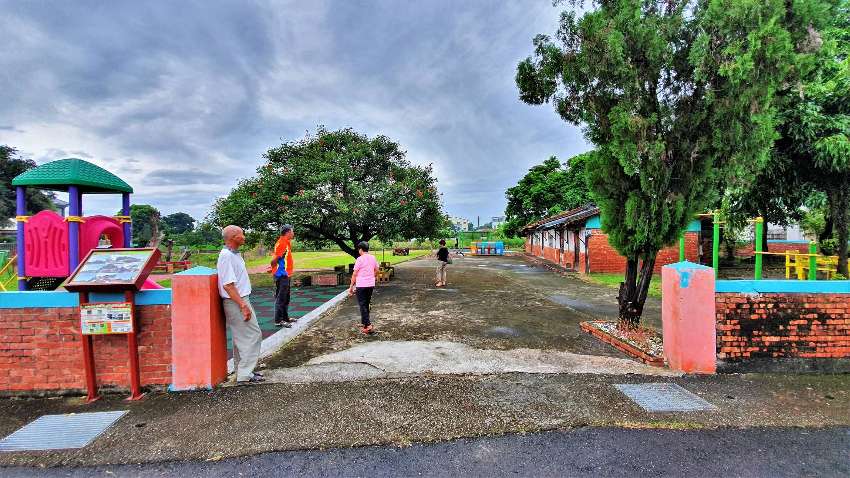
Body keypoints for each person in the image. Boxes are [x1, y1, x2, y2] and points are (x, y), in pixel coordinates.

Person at [217, 225, 264, 384]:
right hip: (236, 301)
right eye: (241, 234)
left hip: (240, 299)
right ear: (233, 237)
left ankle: (243, 372)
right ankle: (245, 374)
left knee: (241, 338)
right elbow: (228, 285)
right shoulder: (226, 256)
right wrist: (243, 305)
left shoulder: (233, 254)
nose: (244, 237)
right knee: (253, 335)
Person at [348, 241, 379, 335]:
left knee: (362, 305)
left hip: (361, 285)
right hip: (370, 284)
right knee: (366, 304)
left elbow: (354, 274)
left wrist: (351, 287)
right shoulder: (373, 258)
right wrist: (371, 277)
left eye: (359, 249)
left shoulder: (359, 259)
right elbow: (377, 270)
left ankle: (368, 325)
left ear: (360, 249)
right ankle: (365, 325)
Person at [270, 225, 296, 328]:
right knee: (281, 298)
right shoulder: (282, 243)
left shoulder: (286, 242)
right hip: (281, 275)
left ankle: (285, 318)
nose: (293, 233)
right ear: (288, 232)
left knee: (286, 298)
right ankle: (278, 320)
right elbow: (274, 260)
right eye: (292, 231)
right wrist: (273, 268)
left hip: (285, 274)